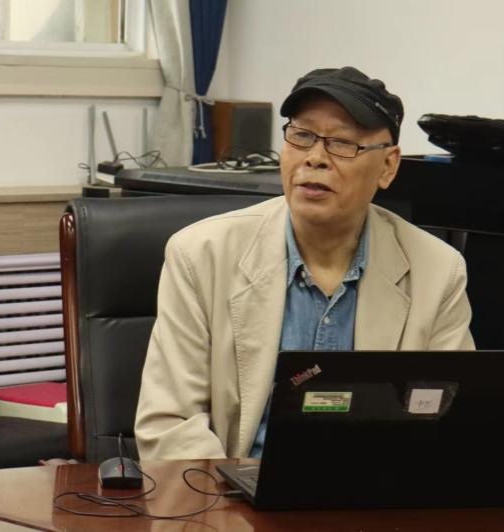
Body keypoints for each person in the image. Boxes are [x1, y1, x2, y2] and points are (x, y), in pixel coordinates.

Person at [135, 66, 474, 460]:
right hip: (234, 488)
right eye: (302, 136)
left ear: (388, 166)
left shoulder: (437, 270)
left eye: (343, 143)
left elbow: (452, 422)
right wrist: (235, 494)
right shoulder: (201, 254)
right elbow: (171, 424)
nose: (315, 158)